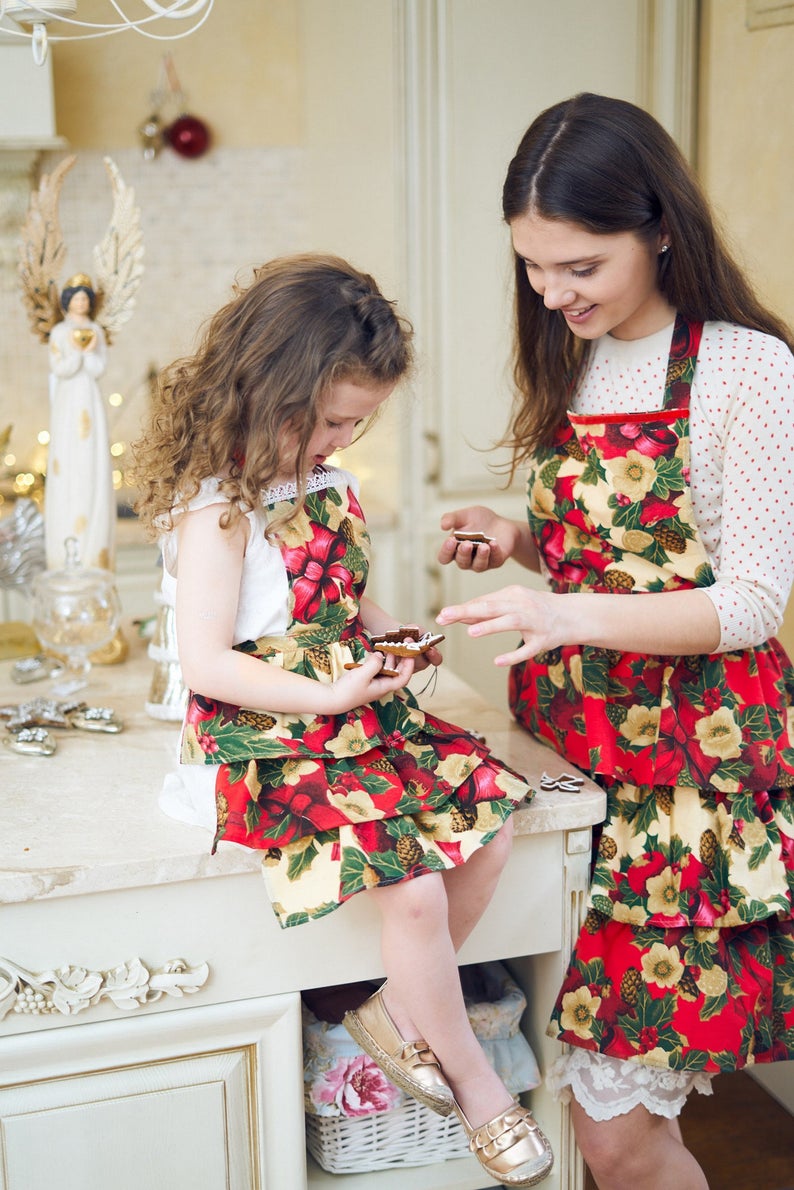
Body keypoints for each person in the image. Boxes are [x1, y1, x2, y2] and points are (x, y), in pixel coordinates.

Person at [132, 253, 554, 1188]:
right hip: (262, 733)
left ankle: (399, 1022)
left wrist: (390, 638)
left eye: (357, 424)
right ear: (269, 390)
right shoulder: (220, 507)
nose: (340, 440)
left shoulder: (323, 482)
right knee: (410, 888)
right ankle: (477, 1082)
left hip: (344, 715)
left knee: (487, 833)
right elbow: (209, 662)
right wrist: (327, 697)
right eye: (329, 421)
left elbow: (341, 603)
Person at [436, 93, 794, 1190]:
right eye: (534, 266)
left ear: (659, 230)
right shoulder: (569, 356)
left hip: (687, 779)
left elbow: (749, 602)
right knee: (563, 1088)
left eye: (580, 264)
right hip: (574, 752)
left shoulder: (746, 369)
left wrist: (563, 612)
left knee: (614, 1133)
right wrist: (524, 537)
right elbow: (625, 547)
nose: (552, 292)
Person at [46, 275, 115, 572]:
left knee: (92, 457)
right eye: (76, 298)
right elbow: (58, 366)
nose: (81, 303)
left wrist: (88, 353)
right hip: (68, 399)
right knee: (68, 457)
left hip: (89, 396)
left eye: (85, 299)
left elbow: (100, 366)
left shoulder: (96, 330)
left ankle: (94, 552)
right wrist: (76, 355)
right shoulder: (60, 332)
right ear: (68, 302)